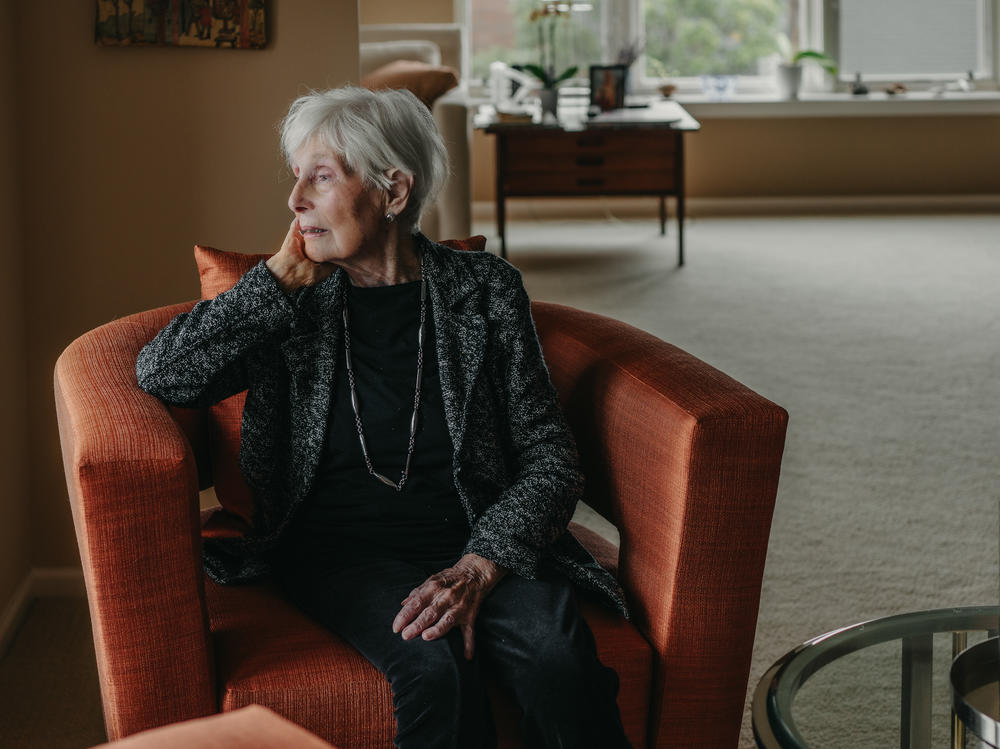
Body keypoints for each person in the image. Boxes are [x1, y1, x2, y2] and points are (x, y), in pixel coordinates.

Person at [136, 86, 630, 749]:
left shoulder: (483, 290)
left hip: (476, 535)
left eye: (322, 177)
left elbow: (549, 454)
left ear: (395, 191)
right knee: (433, 670)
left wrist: (482, 561)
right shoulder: (291, 303)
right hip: (340, 551)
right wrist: (274, 282)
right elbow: (162, 373)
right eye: (296, 179)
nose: (295, 201)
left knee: (558, 662)